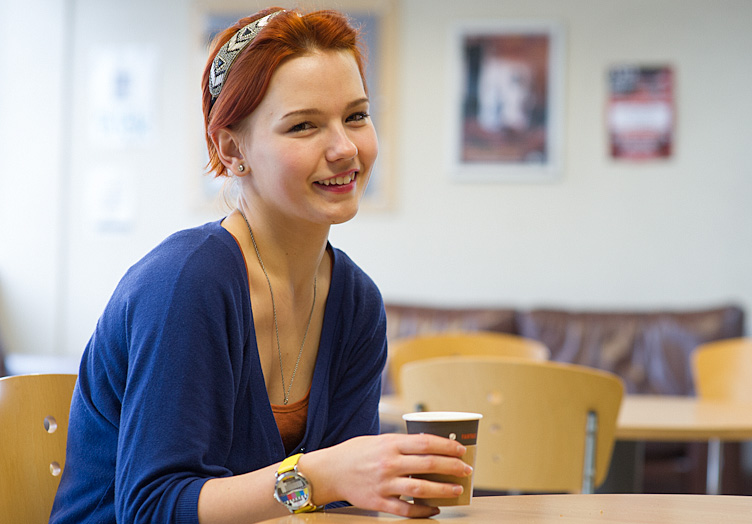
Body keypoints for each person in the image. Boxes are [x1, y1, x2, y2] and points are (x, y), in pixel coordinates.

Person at [50, 7, 470, 524]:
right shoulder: (187, 284)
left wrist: (380, 489)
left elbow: (329, 507)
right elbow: (151, 508)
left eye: (356, 116)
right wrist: (322, 475)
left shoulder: (357, 303)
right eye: (303, 126)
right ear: (232, 149)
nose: (344, 148)